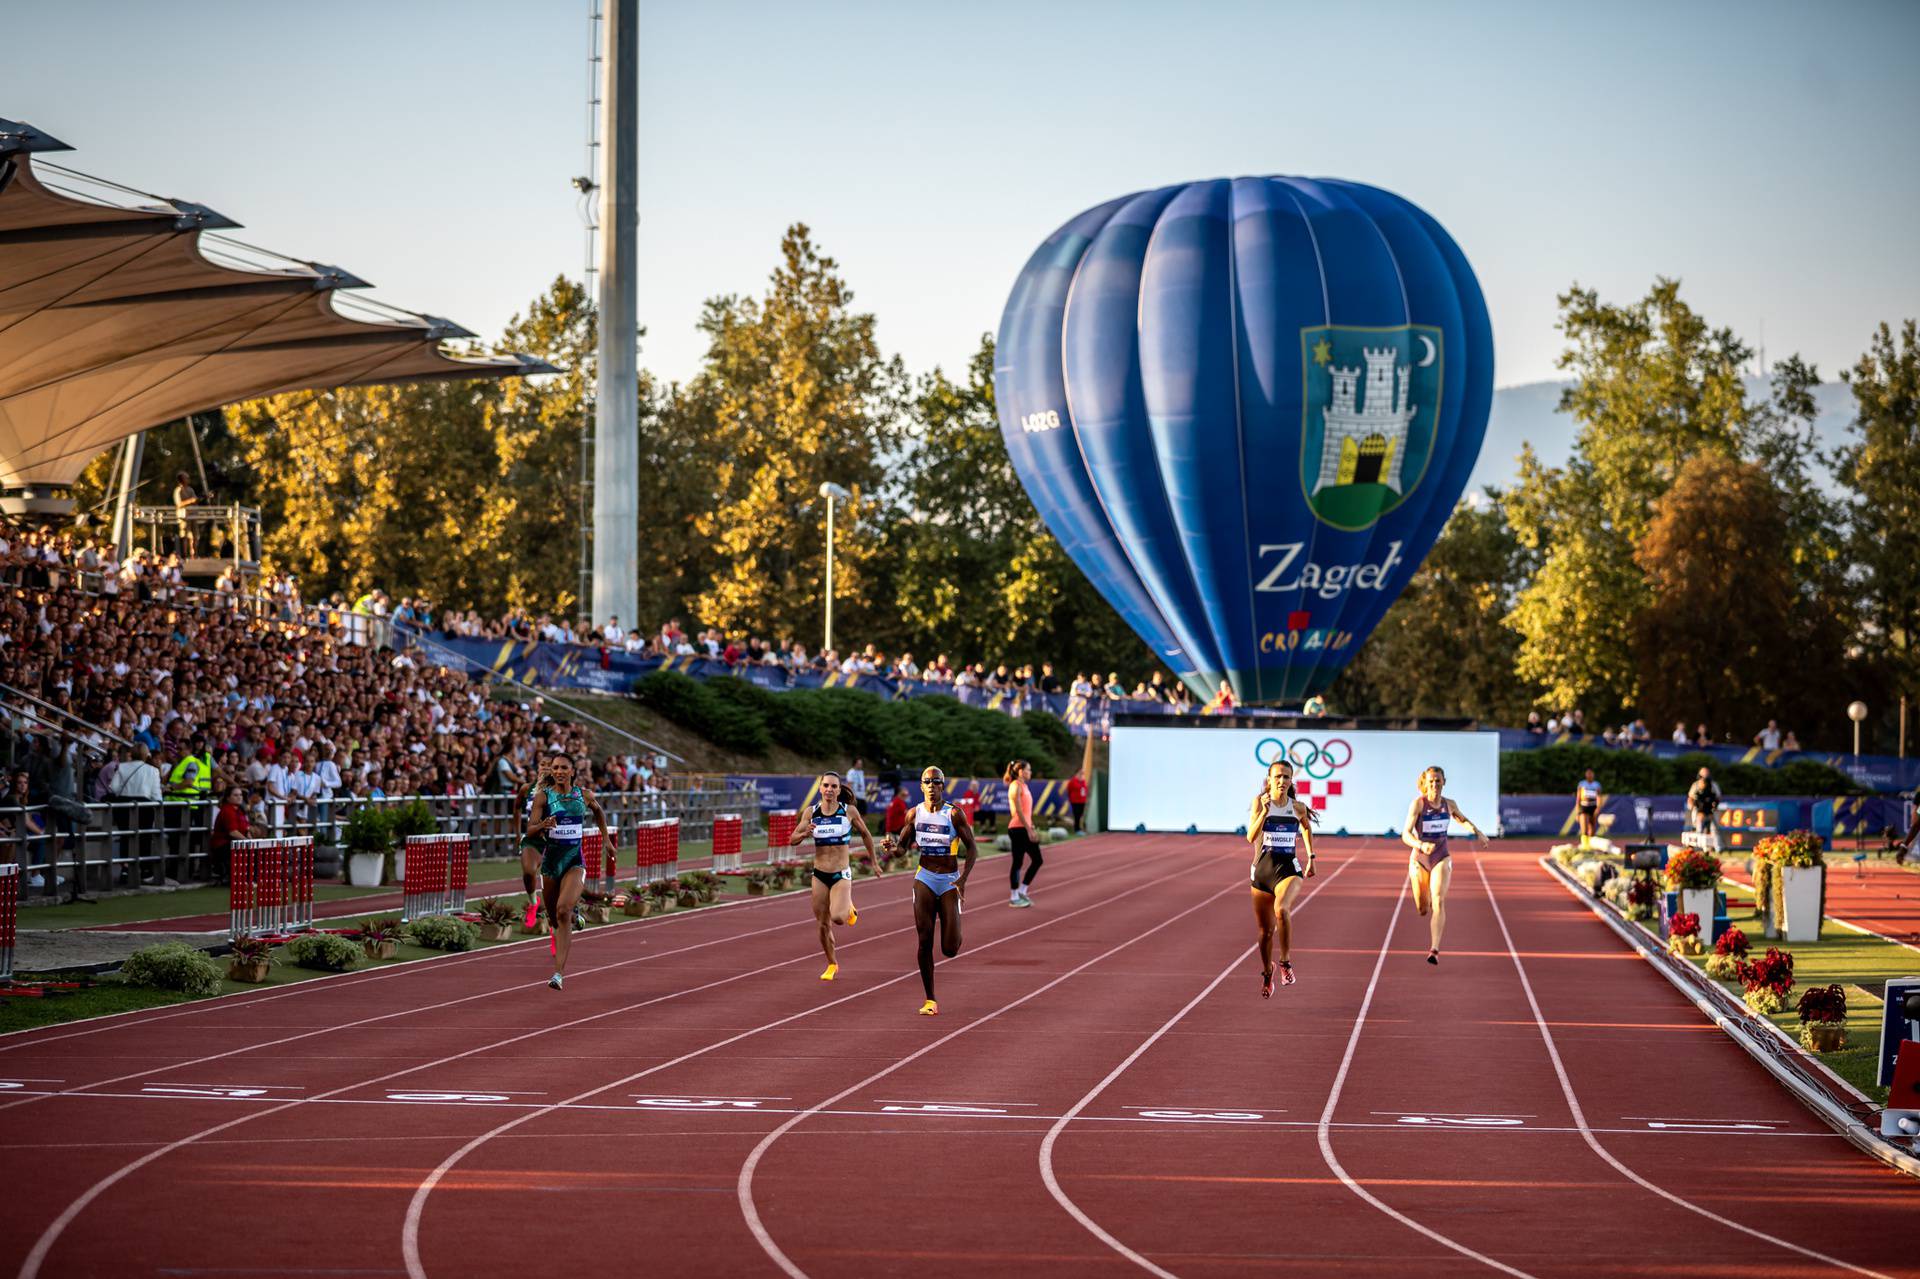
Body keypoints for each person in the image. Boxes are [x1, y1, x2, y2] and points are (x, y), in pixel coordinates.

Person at [881, 766, 978, 1015]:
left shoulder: (954, 814)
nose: (932, 786)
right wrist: (892, 848)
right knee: (924, 939)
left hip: (949, 881)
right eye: (927, 782)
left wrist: (963, 879)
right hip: (924, 878)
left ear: (942, 786)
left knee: (949, 948)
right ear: (921, 786)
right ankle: (930, 1000)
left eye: (936, 782)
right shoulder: (914, 814)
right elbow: (903, 848)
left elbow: (973, 848)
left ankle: (954, 922)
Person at [524, 755, 613, 990]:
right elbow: (530, 829)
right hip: (551, 864)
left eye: (564, 767)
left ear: (572, 770)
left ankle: (558, 974)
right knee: (554, 917)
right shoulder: (544, 797)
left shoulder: (584, 795)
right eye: (555, 768)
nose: (560, 771)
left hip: (574, 861)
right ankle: (576, 917)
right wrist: (543, 825)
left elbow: (599, 813)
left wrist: (606, 840)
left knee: (562, 911)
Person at [788, 771, 877, 980]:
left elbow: (866, 834)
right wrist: (804, 833)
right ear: (820, 788)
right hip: (819, 874)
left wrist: (873, 861)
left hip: (841, 874)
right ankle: (832, 964)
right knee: (822, 923)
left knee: (838, 918)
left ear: (839, 790)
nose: (829, 789)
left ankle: (850, 909)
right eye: (826, 785)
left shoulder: (849, 811)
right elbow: (792, 839)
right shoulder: (811, 812)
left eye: (833, 786)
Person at [1401, 765, 1488, 965]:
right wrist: (1420, 844)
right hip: (1420, 858)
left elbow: (1462, 819)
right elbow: (1405, 834)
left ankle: (1434, 949)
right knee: (1422, 907)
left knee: (1439, 901)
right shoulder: (1418, 804)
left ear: (1444, 782)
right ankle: (1425, 902)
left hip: (1441, 855)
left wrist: (1478, 832)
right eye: (1431, 781)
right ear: (1425, 783)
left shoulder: (1449, 804)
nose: (1435, 784)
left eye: (1438, 781)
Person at [1247, 758, 1316, 996]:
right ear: (1269, 780)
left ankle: (1285, 962)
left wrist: (1311, 856)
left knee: (1282, 910)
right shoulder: (1260, 802)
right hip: (1262, 870)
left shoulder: (1297, 807)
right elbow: (1250, 837)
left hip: (1288, 868)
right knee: (1265, 933)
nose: (1282, 781)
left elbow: (1306, 827)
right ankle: (1268, 972)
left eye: (1286, 777)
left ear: (1291, 780)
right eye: (1277, 777)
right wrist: (1264, 812)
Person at [514, 758, 552, 929]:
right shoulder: (526, 788)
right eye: (542, 764)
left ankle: (557, 926)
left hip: (555, 840)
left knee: (554, 887)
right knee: (529, 872)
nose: (545, 767)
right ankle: (533, 902)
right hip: (533, 838)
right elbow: (516, 808)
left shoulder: (558, 790)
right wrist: (517, 834)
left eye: (549, 765)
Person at [1004, 759, 1040, 907]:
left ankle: (1022, 891)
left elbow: (1026, 811)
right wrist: (1028, 828)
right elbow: (1018, 811)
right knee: (1018, 862)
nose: (1030, 772)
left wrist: (1032, 826)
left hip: (1024, 827)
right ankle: (1014, 896)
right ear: (1020, 771)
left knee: (1037, 860)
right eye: (1028, 769)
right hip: (1018, 828)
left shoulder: (1024, 786)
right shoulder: (1015, 785)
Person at [1686, 767, 1722, 841]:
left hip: (1710, 811)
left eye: (1706, 775)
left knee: (1714, 828)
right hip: (1699, 811)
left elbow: (1718, 798)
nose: (1704, 778)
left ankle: (1715, 845)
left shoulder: (1713, 785)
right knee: (1698, 827)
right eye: (1703, 775)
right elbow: (1690, 798)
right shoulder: (1695, 785)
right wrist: (1693, 806)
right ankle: (1697, 837)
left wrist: (1714, 805)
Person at [1575, 768, 1602, 850]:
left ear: (1593, 775)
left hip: (1593, 806)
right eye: (1588, 773)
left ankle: (1591, 845)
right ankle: (1585, 845)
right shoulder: (1582, 784)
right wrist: (1577, 811)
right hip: (1584, 806)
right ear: (1586, 775)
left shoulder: (1597, 784)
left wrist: (1598, 808)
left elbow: (1598, 797)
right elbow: (1578, 798)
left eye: (1591, 773)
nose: (1589, 775)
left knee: (1592, 827)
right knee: (1584, 827)